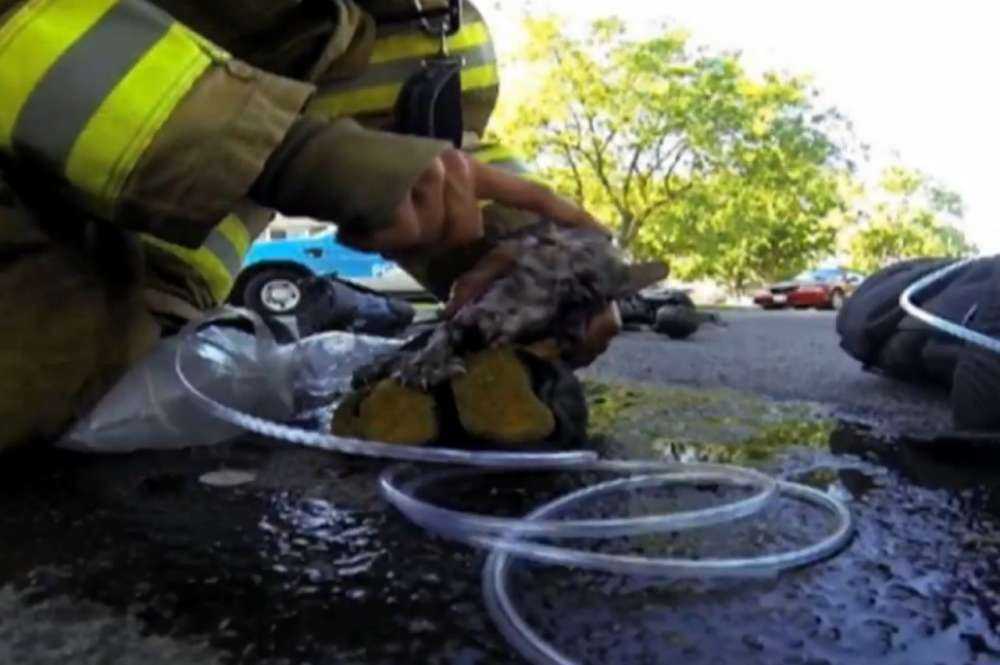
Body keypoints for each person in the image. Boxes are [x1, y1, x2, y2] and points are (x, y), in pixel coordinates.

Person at [0, 0, 621, 450]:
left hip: (151, 297)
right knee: (50, 348)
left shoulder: (426, 17)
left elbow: (436, 151)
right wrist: (284, 155)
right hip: (31, 228)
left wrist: (528, 257)